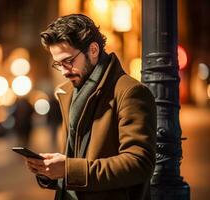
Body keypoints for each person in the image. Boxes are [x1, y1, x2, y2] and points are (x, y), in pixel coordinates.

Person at [25, 14, 156, 200]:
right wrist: (49, 171)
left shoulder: (130, 92)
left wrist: (68, 169)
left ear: (93, 50)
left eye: (68, 61)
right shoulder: (68, 92)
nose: (64, 71)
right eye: (58, 64)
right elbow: (77, 158)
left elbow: (139, 164)